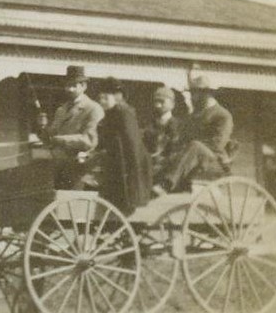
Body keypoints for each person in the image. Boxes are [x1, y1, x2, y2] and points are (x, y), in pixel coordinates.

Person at [154, 76, 234, 194]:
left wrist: (190, 146)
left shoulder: (222, 115)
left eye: (196, 94)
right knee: (169, 157)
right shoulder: (194, 116)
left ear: (207, 94)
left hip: (214, 163)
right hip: (191, 159)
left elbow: (217, 144)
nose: (192, 97)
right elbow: (182, 139)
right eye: (192, 93)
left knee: (195, 146)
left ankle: (167, 184)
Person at [40, 66, 105, 188]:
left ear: (84, 86)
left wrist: (59, 140)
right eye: (67, 85)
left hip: (81, 169)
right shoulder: (61, 110)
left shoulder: (93, 109)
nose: (69, 89)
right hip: (58, 166)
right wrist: (43, 126)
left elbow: (89, 141)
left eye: (74, 85)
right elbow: (50, 137)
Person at [96, 79, 153, 215]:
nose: (102, 101)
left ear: (118, 96)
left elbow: (133, 144)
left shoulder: (124, 113)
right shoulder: (109, 114)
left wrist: (133, 176)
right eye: (100, 98)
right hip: (118, 161)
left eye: (105, 98)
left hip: (131, 163)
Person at [143, 85, 185, 185]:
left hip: (168, 165)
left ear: (172, 104)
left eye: (162, 102)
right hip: (149, 162)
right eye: (156, 101)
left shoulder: (179, 125)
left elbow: (177, 149)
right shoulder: (149, 124)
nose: (158, 105)